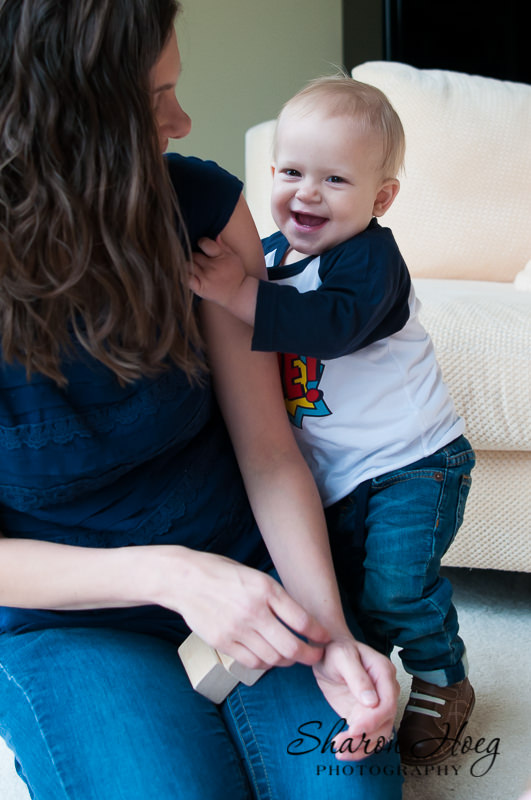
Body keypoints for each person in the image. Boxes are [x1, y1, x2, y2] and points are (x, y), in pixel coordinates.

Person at [0, 3, 404, 799]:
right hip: (67, 616)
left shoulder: (202, 214)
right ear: (61, 118)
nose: (183, 123)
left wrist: (332, 633)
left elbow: (267, 447)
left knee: (344, 785)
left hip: (249, 567)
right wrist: (174, 576)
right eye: (154, 101)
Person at [190, 75, 477, 767]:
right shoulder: (269, 258)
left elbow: (332, 327)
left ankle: (443, 677)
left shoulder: (370, 260)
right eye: (291, 172)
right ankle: (366, 675)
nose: (307, 193)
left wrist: (233, 290)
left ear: (380, 199)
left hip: (414, 463)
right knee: (350, 590)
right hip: (338, 474)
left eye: (334, 180)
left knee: (396, 587)